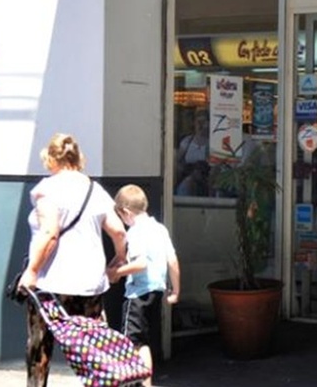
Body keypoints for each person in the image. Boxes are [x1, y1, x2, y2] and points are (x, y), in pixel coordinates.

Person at [18, 133, 127, 386]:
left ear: (51, 159)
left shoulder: (47, 189)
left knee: (39, 349)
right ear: (78, 158)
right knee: (93, 351)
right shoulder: (94, 189)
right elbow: (119, 231)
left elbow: (50, 233)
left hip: (50, 285)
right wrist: (119, 259)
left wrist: (32, 271)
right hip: (90, 284)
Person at [108, 184, 181, 387]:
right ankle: (145, 383)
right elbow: (173, 261)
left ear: (125, 212)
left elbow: (140, 264)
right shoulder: (160, 229)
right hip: (156, 292)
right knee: (142, 342)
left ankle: (132, 381)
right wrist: (175, 290)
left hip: (137, 295)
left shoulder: (136, 232)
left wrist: (115, 273)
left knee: (129, 342)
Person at [175, 108, 210, 196]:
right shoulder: (187, 141)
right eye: (198, 122)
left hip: (206, 181)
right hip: (188, 177)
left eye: (203, 122)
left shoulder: (212, 144)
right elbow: (176, 162)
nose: (200, 125)